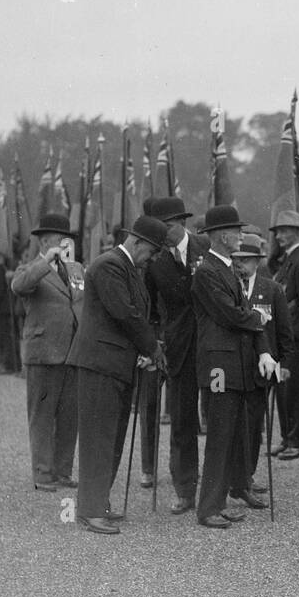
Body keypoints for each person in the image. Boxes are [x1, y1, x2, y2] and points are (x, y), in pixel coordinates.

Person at [67, 215, 164, 535]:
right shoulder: (109, 265)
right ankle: (90, 510)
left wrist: (145, 348)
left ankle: (98, 502)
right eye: (150, 251)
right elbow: (124, 312)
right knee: (99, 439)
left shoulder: (129, 268)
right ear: (136, 242)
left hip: (116, 364)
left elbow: (135, 313)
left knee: (112, 439)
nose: (150, 259)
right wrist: (152, 348)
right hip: (100, 364)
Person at [192, 205, 279, 529]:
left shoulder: (225, 269)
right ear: (221, 235)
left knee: (231, 435)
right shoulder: (207, 272)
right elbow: (230, 314)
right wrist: (258, 318)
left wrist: (262, 349)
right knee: (219, 435)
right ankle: (208, 507)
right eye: (236, 231)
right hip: (219, 366)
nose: (240, 236)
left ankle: (221, 499)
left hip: (233, 365)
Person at [141, 196, 208, 513]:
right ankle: (185, 489)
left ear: (181, 223)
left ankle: (231, 483)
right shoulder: (154, 263)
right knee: (181, 420)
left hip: (215, 347)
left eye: (166, 226)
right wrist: (156, 343)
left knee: (224, 417)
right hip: (178, 351)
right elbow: (150, 310)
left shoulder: (207, 247)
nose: (162, 233)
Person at [11, 213, 85, 492]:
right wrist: (46, 261)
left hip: (72, 352)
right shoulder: (30, 268)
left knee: (69, 416)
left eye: (68, 239)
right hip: (44, 352)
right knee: (42, 415)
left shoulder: (76, 269)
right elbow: (19, 286)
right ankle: (43, 473)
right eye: (59, 238)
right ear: (44, 241)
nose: (65, 243)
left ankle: (63, 471)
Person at [232, 232, 293, 503]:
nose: (239, 265)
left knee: (254, 425)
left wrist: (286, 364)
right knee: (231, 425)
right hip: (233, 367)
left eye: (245, 260)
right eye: (236, 259)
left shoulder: (272, 289)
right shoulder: (228, 286)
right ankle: (232, 478)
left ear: (257, 261)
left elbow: (284, 333)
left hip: (261, 370)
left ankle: (246, 477)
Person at [269, 210, 299, 460]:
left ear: (297, 232)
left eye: (284, 230)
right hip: (284, 337)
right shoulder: (288, 260)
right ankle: (287, 438)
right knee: (283, 390)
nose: (279, 235)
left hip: (296, 337)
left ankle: (298, 442)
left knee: (295, 392)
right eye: (278, 231)